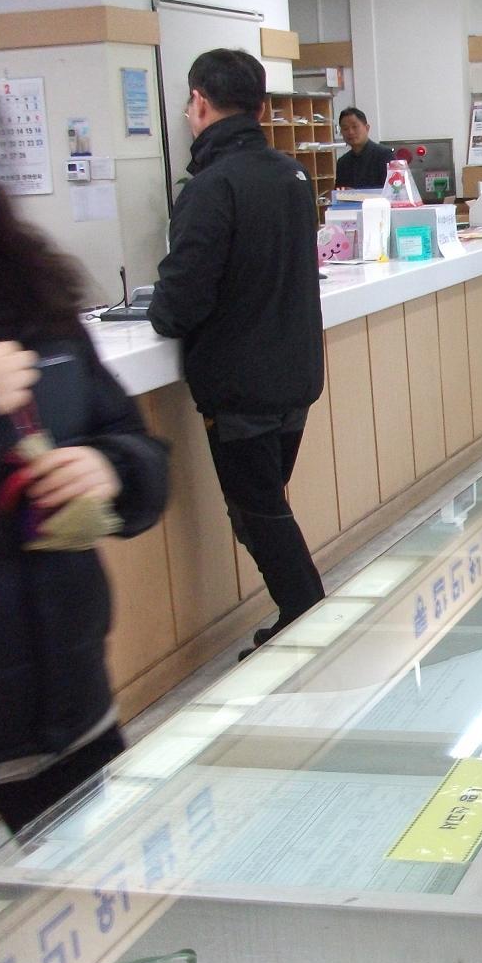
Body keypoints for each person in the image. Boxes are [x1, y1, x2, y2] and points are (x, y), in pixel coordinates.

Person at [0, 69, 168, 870]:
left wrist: (111, 470)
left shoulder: (33, 296)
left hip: (66, 703)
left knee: (106, 928)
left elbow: (132, 441)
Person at [149, 49, 326, 657]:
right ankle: (302, 618)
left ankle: (309, 619)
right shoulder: (292, 176)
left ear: (199, 102)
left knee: (257, 512)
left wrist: (159, 308)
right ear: (262, 108)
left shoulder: (211, 187)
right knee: (265, 504)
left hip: (241, 385)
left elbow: (180, 302)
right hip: (294, 375)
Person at [335, 106, 393, 189]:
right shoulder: (342, 162)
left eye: (355, 127)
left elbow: (393, 191)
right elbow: (339, 192)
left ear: (367, 128)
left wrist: (356, 194)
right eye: (345, 128)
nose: (350, 132)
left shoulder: (385, 155)